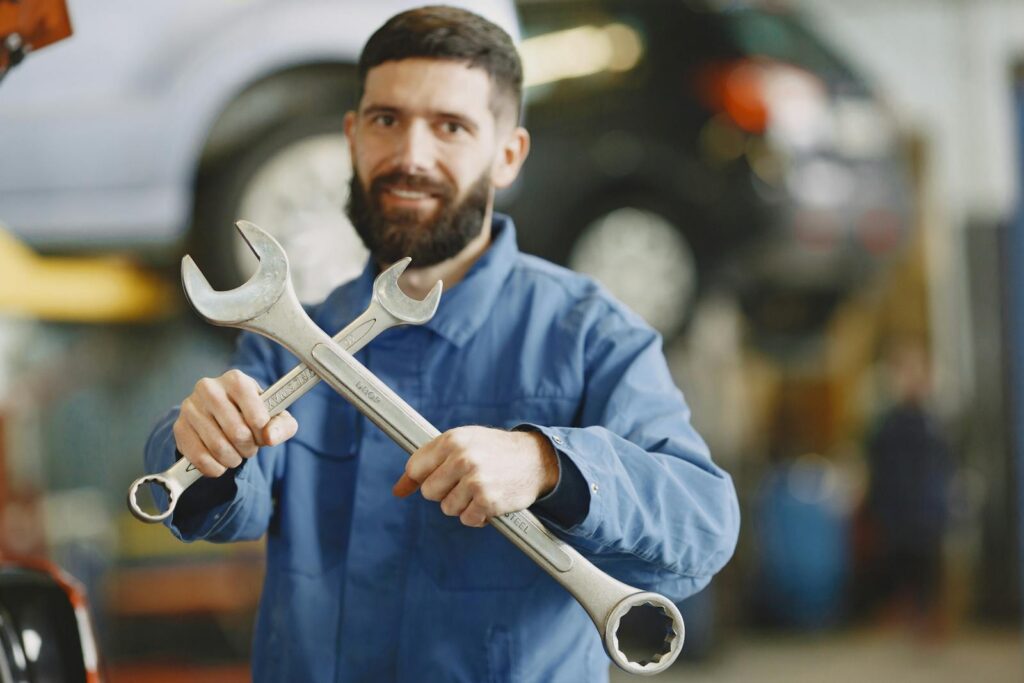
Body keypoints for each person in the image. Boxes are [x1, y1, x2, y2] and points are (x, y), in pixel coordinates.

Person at [144, 6, 740, 681]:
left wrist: (549, 466)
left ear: (508, 154)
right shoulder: (289, 338)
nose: (410, 156)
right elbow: (229, 507)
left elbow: (701, 526)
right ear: (352, 135)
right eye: (386, 120)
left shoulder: (591, 335)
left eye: (450, 127)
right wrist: (198, 444)